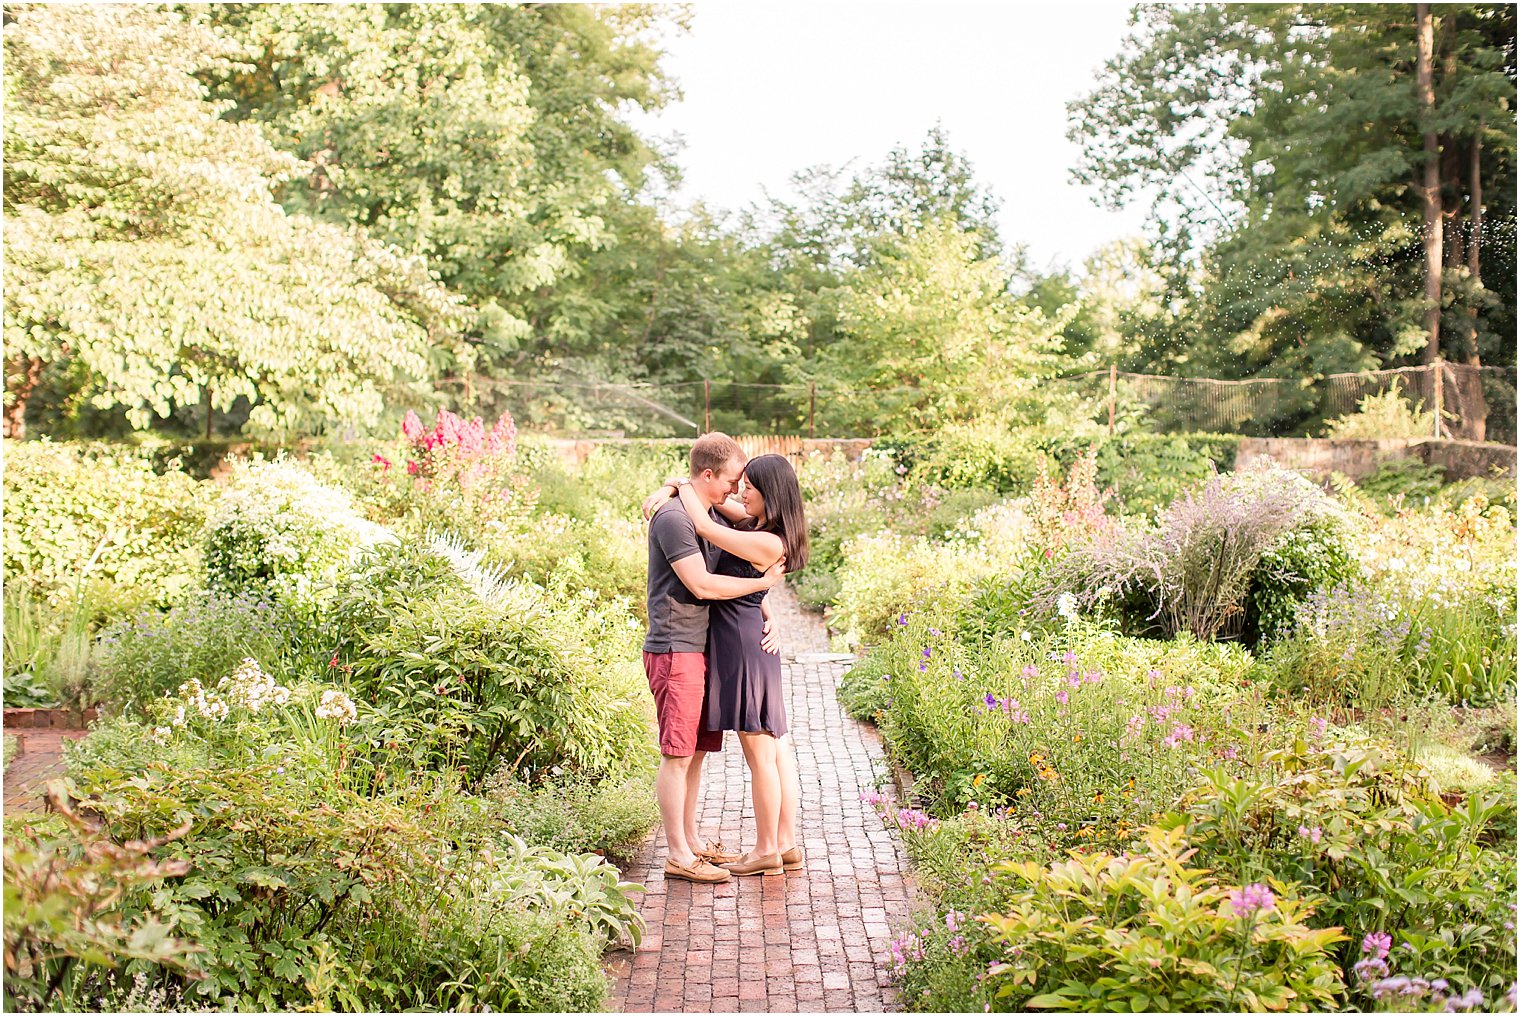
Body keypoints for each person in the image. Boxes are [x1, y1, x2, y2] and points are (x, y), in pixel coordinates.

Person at [645, 453, 809, 877]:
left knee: (762, 751)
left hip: (741, 645)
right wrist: (673, 486)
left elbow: (704, 524)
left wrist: (680, 490)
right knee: (773, 749)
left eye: (749, 485)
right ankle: (783, 845)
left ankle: (766, 849)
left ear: (768, 492)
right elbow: (712, 497)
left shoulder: (767, 539)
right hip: (747, 637)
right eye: (738, 482)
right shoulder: (759, 524)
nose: (740, 491)